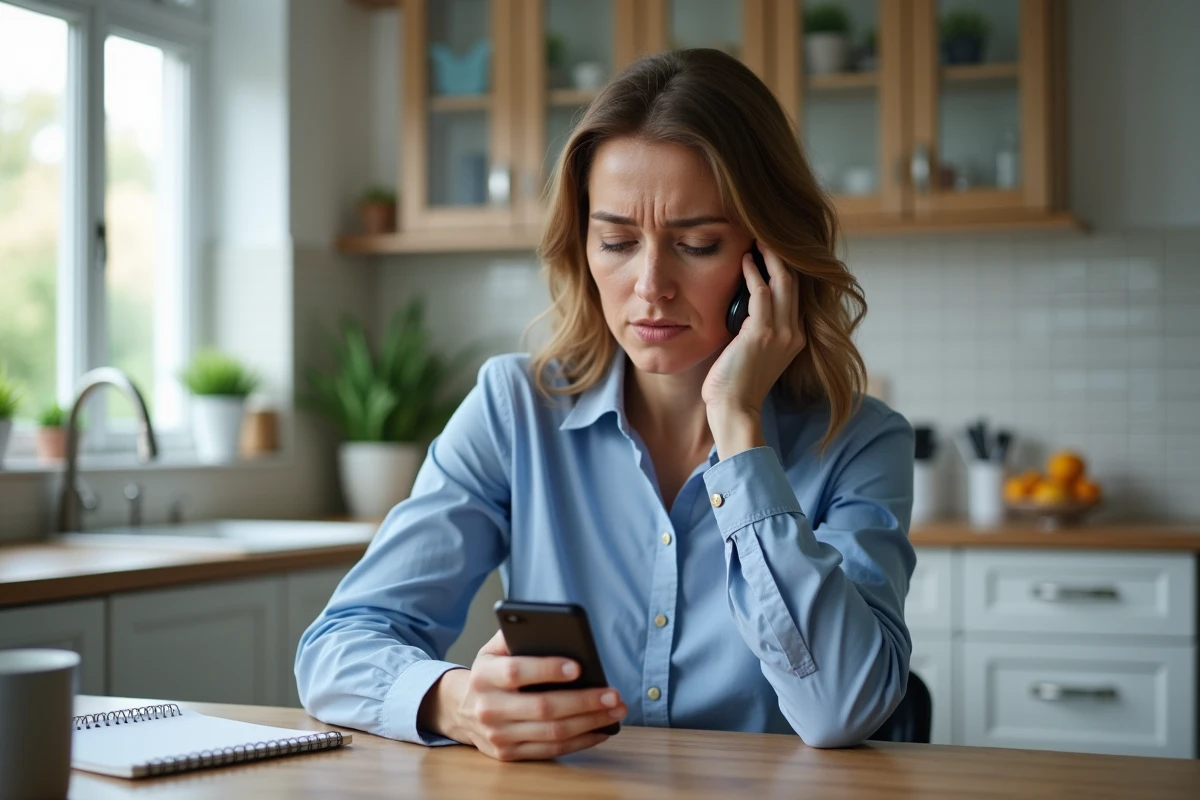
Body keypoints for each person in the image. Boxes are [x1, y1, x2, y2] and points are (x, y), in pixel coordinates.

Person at [296, 48, 915, 762]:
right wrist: (458, 702)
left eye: (698, 243)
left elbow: (842, 708)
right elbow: (336, 649)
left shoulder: (862, 444)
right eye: (617, 240)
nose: (650, 285)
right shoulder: (513, 410)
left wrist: (740, 433)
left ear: (770, 258)